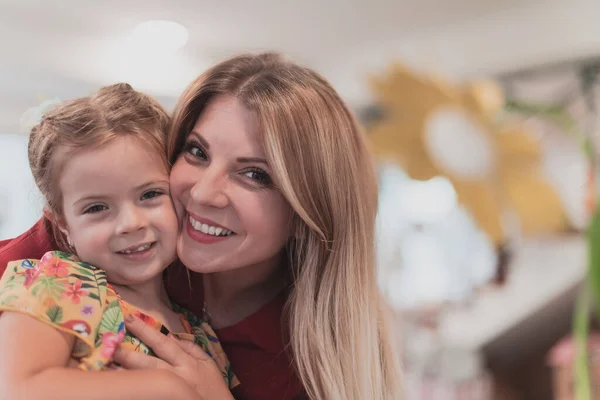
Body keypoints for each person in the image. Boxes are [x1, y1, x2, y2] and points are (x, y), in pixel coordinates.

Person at [0, 53, 402, 399]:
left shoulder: (233, 344)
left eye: (256, 175)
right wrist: (170, 390)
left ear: (308, 213)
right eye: (197, 151)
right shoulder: (63, 269)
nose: (204, 193)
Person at [0, 83, 237, 400]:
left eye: (150, 194)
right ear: (64, 226)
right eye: (97, 208)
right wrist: (168, 389)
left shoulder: (202, 334)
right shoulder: (57, 282)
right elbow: (18, 389)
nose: (131, 223)